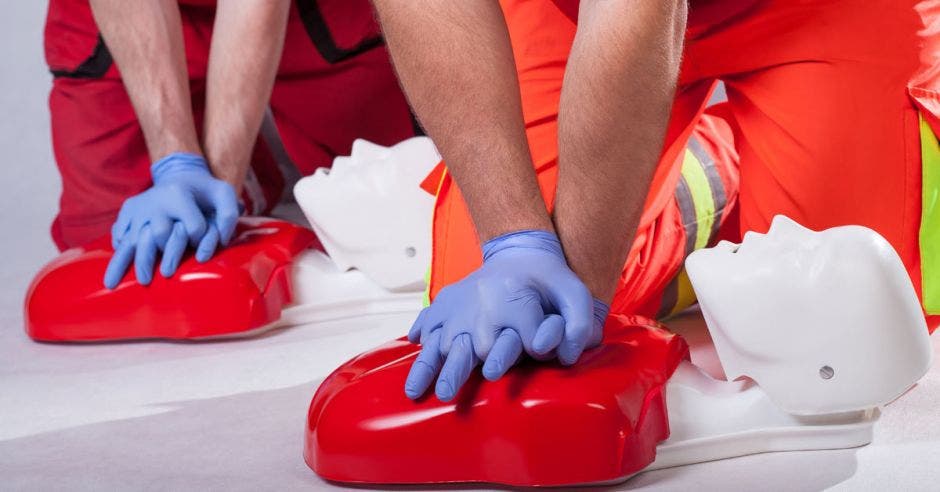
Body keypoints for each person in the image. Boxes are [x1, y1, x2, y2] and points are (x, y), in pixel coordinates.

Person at [368, 0, 940, 401]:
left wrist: (582, 300)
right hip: (565, 12)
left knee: (845, 326)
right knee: (506, 336)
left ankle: (730, 160)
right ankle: (714, 172)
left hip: (826, 11)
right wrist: (515, 242)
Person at [43, 0, 418, 288]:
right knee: (109, 255)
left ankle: (254, 159)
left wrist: (222, 185)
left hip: (310, 13)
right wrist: (175, 161)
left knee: (400, 222)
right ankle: (263, 163)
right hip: (130, 20)